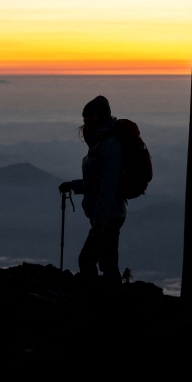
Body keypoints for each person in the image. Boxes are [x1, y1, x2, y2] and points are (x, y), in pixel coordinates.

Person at [59, 96, 127, 283]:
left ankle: (96, 305)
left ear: (102, 117)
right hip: (107, 214)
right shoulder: (98, 143)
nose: (87, 119)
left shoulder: (109, 145)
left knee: (87, 260)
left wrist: (100, 223)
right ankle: (108, 302)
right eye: (85, 116)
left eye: (92, 115)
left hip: (109, 215)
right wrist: (73, 185)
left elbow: (108, 186)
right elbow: (96, 183)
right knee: (107, 262)